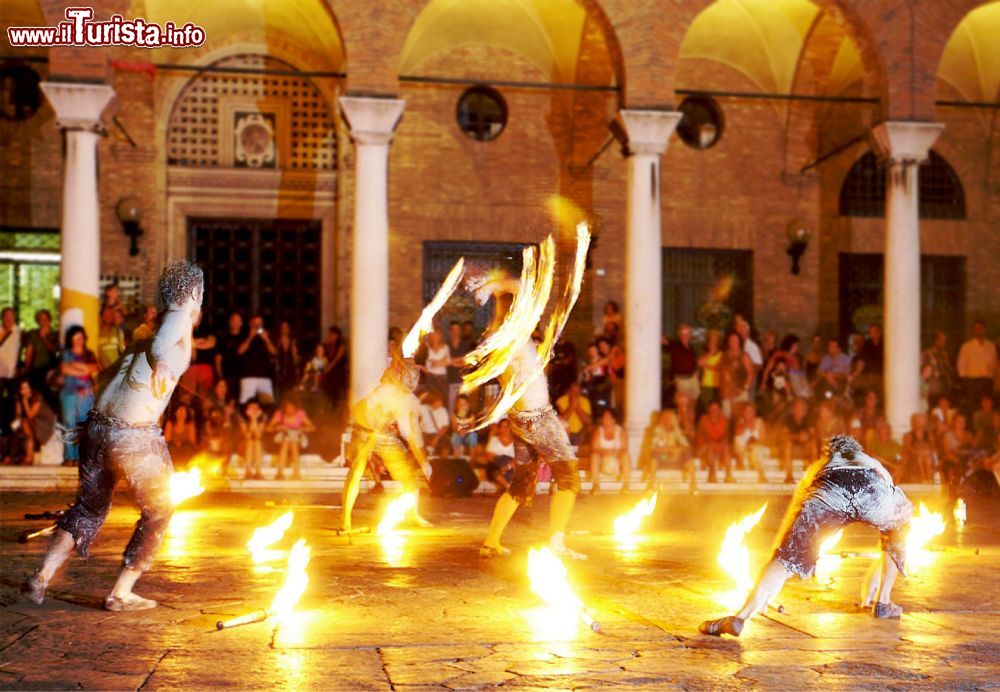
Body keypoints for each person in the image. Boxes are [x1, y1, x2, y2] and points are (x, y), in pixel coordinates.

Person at [23, 261, 203, 611]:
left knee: (89, 509)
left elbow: (117, 369)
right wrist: (164, 361)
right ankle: (121, 593)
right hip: (133, 435)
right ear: (195, 293)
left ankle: (41, 576)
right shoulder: (177, 322)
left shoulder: (144, 331)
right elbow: (166, 342)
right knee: (161, 510)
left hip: (96, 427)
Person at [699, 435, 913, 636]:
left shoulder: (820, 466)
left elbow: (796, 508)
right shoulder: (866, 460)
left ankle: (740, 617)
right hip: (871, 491)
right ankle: (883, 601)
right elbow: (888, 483)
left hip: (829, 492)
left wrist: (782, 557)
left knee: (786, 559)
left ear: (828, 452)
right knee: (901, 523)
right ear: (854, 449)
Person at [473, 274, 584, 560]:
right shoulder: (514, 334)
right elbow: (525, 289)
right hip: (537, 419)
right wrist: (495, 287)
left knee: (522, 484)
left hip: (520, 419)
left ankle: (491, 541)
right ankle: (556, 542)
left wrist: (495, 293)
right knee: (569, 477)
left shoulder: (500, 338)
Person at [341, 357, 431, 532]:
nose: (412, 382)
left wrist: (424, 462)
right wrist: (371, 439)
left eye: (415, 378)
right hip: (363, 431)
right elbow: (373, 412)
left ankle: (413, 514)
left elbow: (412, 436)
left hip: (383, 435)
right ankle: (345, 520)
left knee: (407, 475)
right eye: (408, 377)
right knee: (356, 471)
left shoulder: (409, 401)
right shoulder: (386, 391)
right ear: (399, 377)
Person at [59, 326, 99, 465]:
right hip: (69, 393)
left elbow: (94, 368)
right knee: (69, 424)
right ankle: (70, 457)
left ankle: (80, 457)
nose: (78, 340)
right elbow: (65, 369)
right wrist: (84, 369)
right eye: (75, 338)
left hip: (86, 394)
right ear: (71, 339)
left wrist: (75, 367)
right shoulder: (66, 353)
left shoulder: (89, 353)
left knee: (82, 425)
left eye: (80, 337)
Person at [267, 397, 316, 480]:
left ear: (295, 408)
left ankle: (296, 473)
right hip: (282, 440)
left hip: (297, 440)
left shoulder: (300, 414)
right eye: (288, 408)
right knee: (286, 443)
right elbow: (268, 428)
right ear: (284, 408)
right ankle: (280, 473)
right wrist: (277, 428)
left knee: (293, 444)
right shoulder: (279, 414)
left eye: (292, 408)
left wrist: (302, 428)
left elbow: (312, 427)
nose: (290, 410)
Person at [10, 379, 56, 465]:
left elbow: (31, 414)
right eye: (22, 388)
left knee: (25, 425)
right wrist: (16, 423)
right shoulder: (19, 398)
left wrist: (25, 401)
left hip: (45, 421)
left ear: (30, 387)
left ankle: (28, 456)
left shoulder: (37, 396)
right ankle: (27, 456)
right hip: (30, 422)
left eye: (26, 387)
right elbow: (18, 414)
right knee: (20, 427)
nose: (25, 390)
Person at [647, 409, 692, 490]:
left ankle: (693, 484)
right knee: (654, 454)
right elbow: (653, 447)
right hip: (662, 460)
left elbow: (686, 445)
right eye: (664, 418)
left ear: (672, 420)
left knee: (687, 453)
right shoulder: (658, 430)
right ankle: (651, 484)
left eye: (668, 418)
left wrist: (679, 449)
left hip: (676, 460)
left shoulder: (677, 430)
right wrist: (668, 449)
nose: (666, 420)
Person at [589, 408, 631, 494]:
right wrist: (606, 454)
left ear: (613, 420)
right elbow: (594, 448)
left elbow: (624, 448)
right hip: (603, 463)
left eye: (607, 417)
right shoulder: (598, 431)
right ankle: (596, 486)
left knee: (626, 455)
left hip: (617, 464)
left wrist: (613, 454)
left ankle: (626, 486)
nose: (604, 419)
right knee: (594, 456)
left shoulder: (620, 431)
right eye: (603, 417)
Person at [237, 315, 276, 404]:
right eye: (255, 323)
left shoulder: (266, 334)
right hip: (248, 376)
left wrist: (267, 340)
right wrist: (250, 338)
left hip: (265, 376)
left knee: (267, 403)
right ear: (250, 323)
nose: (258, 325)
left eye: (260, 323)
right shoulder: (244, 334)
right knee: (246, 403)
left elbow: (274, 352)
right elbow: (240, 351)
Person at [22, 309, 58, 401]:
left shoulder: (55, 334)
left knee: (49, 394)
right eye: (40, 319)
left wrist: (44, 338)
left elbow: (54, 350)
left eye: (45, 318)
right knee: (36, 393)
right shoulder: (33, 333)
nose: (43, 321)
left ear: (50, 319)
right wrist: (27, 368)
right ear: (38, 321)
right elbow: (29, 352)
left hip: (50, 369)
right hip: (36, 368)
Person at [781, 397, 815, 484]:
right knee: (787, 444)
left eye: (802, 409)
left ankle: (812, 477)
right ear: (793, 410)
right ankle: (789, 476)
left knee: (813, 444)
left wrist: (807, 436)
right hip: (792, 449)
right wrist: (797, 437)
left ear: (805, 411)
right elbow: (783, 436)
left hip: (804, 448)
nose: (799, 411)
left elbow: (813, 434)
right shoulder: (787, 420)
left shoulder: (809, 420)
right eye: (797, 408)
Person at [696, 400, 731, 483]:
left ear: (720, 410)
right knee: (711, 446)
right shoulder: (704, 419)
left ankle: (728, 475)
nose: (714, 411)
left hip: (718, 446)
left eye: (716, 409)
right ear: (709, 410)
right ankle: (712, 475)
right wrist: (714, 444)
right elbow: (704, 435)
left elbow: (725, 436)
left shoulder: (724, 420)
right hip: (704, 446)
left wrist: (721, 443)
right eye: (712, 409)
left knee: (726, 447)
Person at [664, 323, 700, 405]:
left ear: (690, 334)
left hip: (693, 379)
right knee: (683, 404)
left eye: (687, 333)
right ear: (679, 334)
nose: (685, 336)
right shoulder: (675, 345)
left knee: (693, 404)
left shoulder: (691, 347)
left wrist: (696, 370)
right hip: (682, 380)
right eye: (683, 333)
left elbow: (694, 362)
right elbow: (664, 341)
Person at [720, 332, 753, 418]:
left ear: (739, 342)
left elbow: (750, 373)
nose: (734, 343)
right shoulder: (724, 355)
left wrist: (744, 388)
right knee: (727, 418)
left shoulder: (744, 356)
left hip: (739, 393)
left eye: (736, 340)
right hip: (726, 393)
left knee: (740, 418)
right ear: (728, 342)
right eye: (731, 340)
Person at [0, 307, 22, 435]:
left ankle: (9, 434)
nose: (9, 319)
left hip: (11, 375)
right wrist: (6, 333)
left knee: (11, 405)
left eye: (11, 316)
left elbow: (21, 350)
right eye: (6, 316)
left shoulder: (18, 332)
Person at [733, 403, 767, 483]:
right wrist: (745, 424)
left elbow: (763, 439)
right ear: (743, 412)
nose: (748, 413)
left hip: (757, 448)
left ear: (754, 412)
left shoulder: (759, 422)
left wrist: (753, 444)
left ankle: (761, 474)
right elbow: (737, 434)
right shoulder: (739, 422)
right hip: (743, 449)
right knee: (737, 439)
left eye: (751, 411)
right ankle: (741, 465)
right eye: (746, 411)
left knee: (757, 450)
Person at [483, 418, 518, 493]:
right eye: (504, 427)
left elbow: (517, 459)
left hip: (512, 468)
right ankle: (508, 487)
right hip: (498, 469)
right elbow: (489, 459)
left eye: (508, 426)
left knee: (509, 460)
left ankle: (509, 486)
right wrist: (503, 468)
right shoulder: (494, 440)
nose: (506, 429)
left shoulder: (517, 442)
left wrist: (508, 466)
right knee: (497, 462)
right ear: (499, 429)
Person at [215, 312, 245, 398]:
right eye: (234, 320)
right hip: (227, 375)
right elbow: (218, 358)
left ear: (241, 323)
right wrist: (220, 375)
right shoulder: (223, 337)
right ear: (229, 322)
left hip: (242, 376)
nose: (236, 323)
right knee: (227, 398)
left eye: (238, 321)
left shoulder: (245, 337)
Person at [921, 331, 954, 406]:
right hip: (932, 386)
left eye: (944, 341)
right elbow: (922, 369)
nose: (944, 343)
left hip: (944, 386)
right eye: (941, 340)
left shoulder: (945, 355)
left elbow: (948, 369)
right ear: (936, 341)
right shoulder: (927, 354)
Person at [852, 324, 885, 400]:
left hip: (882, 375)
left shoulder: (886, 343)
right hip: (869, 375)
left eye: (875, 332)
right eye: (871, 332)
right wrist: (856, 373)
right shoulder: (868, 344)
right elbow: (862, 360)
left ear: (879, 332)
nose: (873, 334)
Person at [900, 413, 935, 483]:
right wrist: (920, 453)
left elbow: (932, 448)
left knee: (928, 459)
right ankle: (924, 477)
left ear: (925, 422)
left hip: (927, 455)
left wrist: (924, 452)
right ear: (913, 423)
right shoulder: (908, 435)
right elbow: (908, 448)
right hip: (913, 456)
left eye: (921, 421)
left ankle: (928, 479)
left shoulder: (930, 435)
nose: (919, 423)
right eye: (917, 421)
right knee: (920, 458)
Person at [555, 381, 592, 446]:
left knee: (588, 429)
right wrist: (571, 406)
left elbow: (589, 422)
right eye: (573, 391)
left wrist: (578, 408)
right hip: (566, 432)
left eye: (578, 392)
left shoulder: (585, 401)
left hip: (580, 433)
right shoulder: (561, 400)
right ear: (569, 392)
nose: (576, 394)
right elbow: (562, 420)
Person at [445, 320, 470, 413]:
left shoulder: (465, 345)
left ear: (460, 331)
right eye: (453, 330)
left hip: (463, 381)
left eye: (457, 330)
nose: (455, 332)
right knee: (451, 408)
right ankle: (453, 427)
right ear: (450, 332)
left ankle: (465, 426)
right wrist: (459, 360)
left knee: (464, 408)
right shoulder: (446, 345)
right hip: (450, 382)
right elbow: (444, 362)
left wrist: (451, 361)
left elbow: (466, 361)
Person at [239, 399, 266, 480]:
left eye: (256, 408)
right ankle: (248, 472)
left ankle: (258, 472)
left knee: (257, 442)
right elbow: (247, 435)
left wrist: (255, 419)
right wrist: (252, 419)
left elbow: (258, 435)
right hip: (244, 446)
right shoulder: (242, 419)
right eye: (252, 408)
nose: (254, 410)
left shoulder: (261, 419)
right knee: (250, 442)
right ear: (247, 409)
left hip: (258, 446)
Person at [164, 404, 197, 468]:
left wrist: (181, 444)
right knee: (171, 446)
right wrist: (177, 444)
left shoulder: (190, 424)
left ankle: (186, 467)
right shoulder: (170, 423)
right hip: (173, 448)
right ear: (175, 413)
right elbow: (166, 441)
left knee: (187, 446)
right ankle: (174, 467)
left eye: (183, 411)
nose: (181, 414)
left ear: (187, 413)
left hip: (185, 448)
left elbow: (192, 441)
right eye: (179, 411)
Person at [697, 329, 723, 412]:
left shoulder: (722, 354)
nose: (713, 343)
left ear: (718, 342)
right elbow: (699, 363)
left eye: (715, 340)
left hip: (718, 385)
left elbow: (719, 368)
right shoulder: (705, 354)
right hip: (706, 385)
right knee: (707, 408)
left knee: (717, 408)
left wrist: (707, 367)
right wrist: (710, 353)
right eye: (711, 340)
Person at [274, 321, 301, 398]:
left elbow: (295, 357)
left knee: (291, 393)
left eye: (286, 327)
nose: (284, 329)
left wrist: (294, 352)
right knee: (281, 393)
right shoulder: (277, 341)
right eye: (283, 327)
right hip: (280, 372)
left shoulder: (293, 341)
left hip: (290, 371)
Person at [96, 305, 126, 372]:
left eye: (110, 314)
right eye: (106, 314)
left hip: (117, 369)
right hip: (102, 371)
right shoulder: (96, 333)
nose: (108, 316)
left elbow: (123, 351)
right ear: (101, 316)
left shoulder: (118, 331)